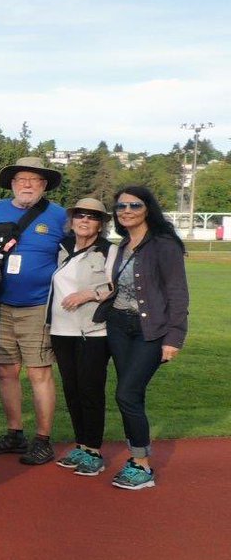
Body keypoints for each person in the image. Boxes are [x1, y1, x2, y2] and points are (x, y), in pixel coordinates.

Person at [0, 157, 68, 465]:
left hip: (38, 306)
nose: (27, 185)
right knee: (5, 371)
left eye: (34, 180)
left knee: (39, 372)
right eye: (21, 179)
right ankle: (15, 433)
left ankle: (43, 439)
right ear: (12, 184)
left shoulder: (59, 216)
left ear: (44, 185)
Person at [104, 186, 188, 490]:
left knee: (126, 394)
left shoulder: (164, 245)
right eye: (121, 206)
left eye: (134, 205)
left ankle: (142, 466)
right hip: (118, 326)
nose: (126, 211)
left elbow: (177, 293)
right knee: (133, 395)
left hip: (149, 331)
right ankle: (135, 458)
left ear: (148, 208)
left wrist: (174, 337)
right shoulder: (123, 245)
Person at [49, 198, 116, 477]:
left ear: (101, 224)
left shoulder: (109, 251)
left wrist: (89, 294)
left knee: (90, 390)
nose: (85, 220)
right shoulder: (63, 247)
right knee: (72, 390)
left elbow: (119, 285)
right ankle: (81, 445)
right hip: (61, 330)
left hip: (92, 331)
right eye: (80, 215)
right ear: (72, 220)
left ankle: (93, 450)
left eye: (92, 216)